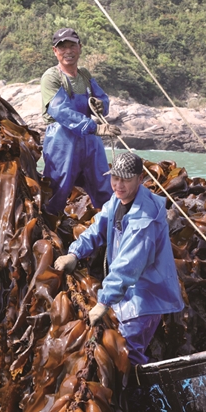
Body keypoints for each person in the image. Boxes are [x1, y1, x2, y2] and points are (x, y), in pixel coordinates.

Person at [53, 152, 184, 365]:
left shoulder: (144, 217)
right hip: (127, 293)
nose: (118, 184)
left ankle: (139, 394)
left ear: (140, 179)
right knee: (120, 353)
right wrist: (74, 253)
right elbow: (98, 228)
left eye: (126, 179)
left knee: (128, 355)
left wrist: (104, 301)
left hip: (146, 296)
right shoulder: (118, 199)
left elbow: (129, 264)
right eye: (115, 178)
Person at [41, 27, 121, 214]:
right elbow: (60, 111)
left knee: (103, 186)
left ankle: (110, 228)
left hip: (91, 143)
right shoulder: (52, 77)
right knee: (57, 189)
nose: (68, 51)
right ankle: (48, 231)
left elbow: (102, 98)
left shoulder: (84, 75)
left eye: (72, 46)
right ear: (55, 51)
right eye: (62, 47)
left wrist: (101, 104)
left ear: (80, 48)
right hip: (62, 142)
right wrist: (95, 127)